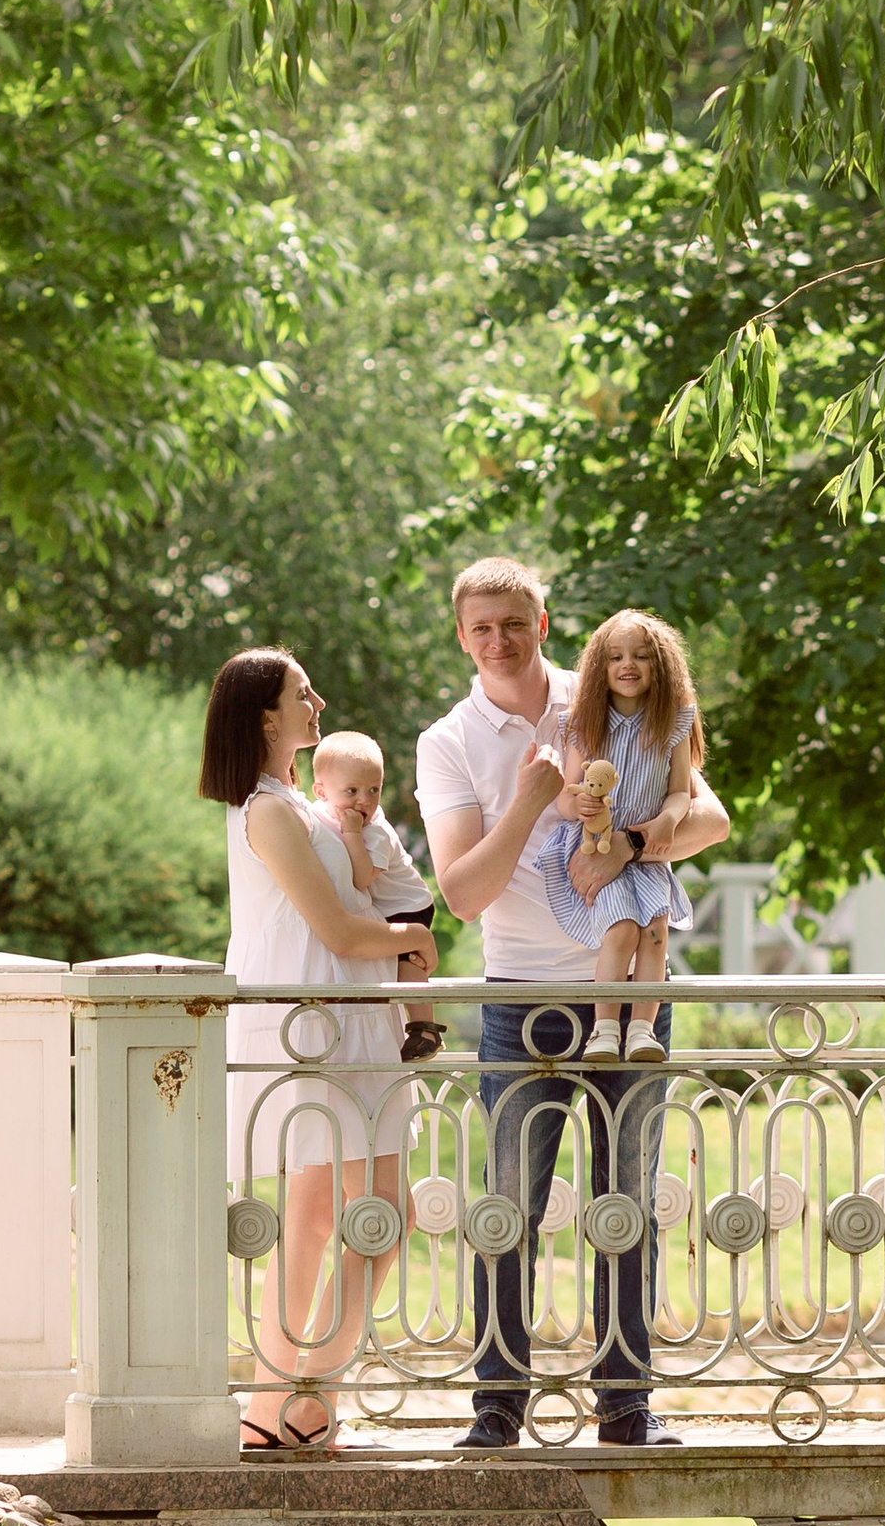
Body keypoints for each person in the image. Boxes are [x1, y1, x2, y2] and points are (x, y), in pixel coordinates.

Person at [415, 556, 731, 1451]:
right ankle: (497, 1408)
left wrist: (630, 843)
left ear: (542, 625)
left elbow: (709, 819)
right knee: (510, 1205)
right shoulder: (448, 741)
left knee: (626, 1199)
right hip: (521, 996)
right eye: (482, 627)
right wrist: (529, 802)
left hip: (629, 998)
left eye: (514, 623)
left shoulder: (606, 695)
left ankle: (626, 1407)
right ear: (462, 636)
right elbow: (461, 896)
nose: (499, 640)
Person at [200, 650, 432, 1453]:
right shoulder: (267, 811)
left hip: (350, 1021)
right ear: (267, 716)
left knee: (346, 1216)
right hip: (316, 1027)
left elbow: (359, 896)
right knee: (354, 1216)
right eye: (303, 694)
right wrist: (411, 940)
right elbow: (334, 929)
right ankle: (293, 1401)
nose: (319, 701)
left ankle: (290, 1401)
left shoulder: (302, 802)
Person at [529, 610, 704, 1065]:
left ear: (660, 665)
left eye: (641, 656)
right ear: (599, 667)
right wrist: (580, 807)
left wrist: (668, 820)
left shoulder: (673, 722)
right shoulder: (584, 723)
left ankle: (642, 1030)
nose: (628, 665)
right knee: (622, 928)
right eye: (615, 657)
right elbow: (566, 795)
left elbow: (681, 790)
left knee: (656, 932)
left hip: (645, 850)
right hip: (597, 846)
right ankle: (604, 1029)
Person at [310, 729, 443, 1061]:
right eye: (351, 791)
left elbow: (362, 877)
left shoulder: (375, 831)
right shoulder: (320, 815)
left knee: (407, 962)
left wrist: (352, 833)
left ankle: (425, 1029)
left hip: (408, 904)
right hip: (387, 907)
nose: (364, 801)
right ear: (321, 792)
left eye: (374, 790)